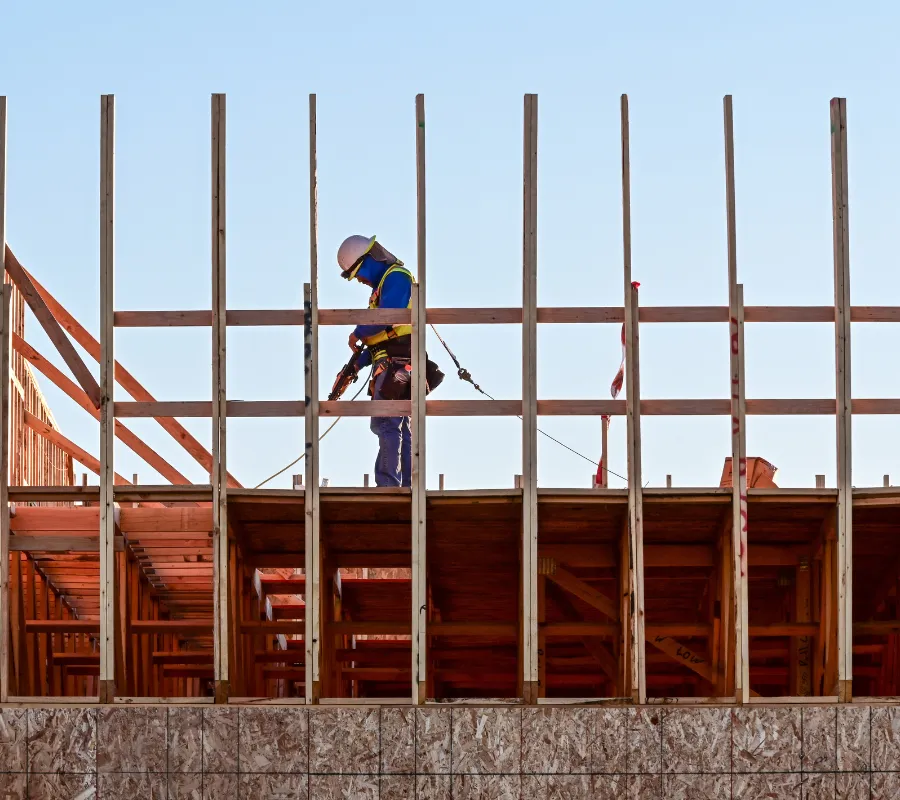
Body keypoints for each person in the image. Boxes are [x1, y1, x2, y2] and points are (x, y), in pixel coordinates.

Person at [336, 234, 442, 487]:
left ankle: (389, 486)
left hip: (397, 363)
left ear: (370, 259)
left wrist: (358, 332)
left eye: (358, 273)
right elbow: (381, 338)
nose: (359, 280)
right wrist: (356, 365)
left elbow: (387, 316)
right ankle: (406, 485)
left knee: (387, 425)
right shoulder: (382, 287)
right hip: (397, 362)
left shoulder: (396, 277)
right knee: (400, 426)